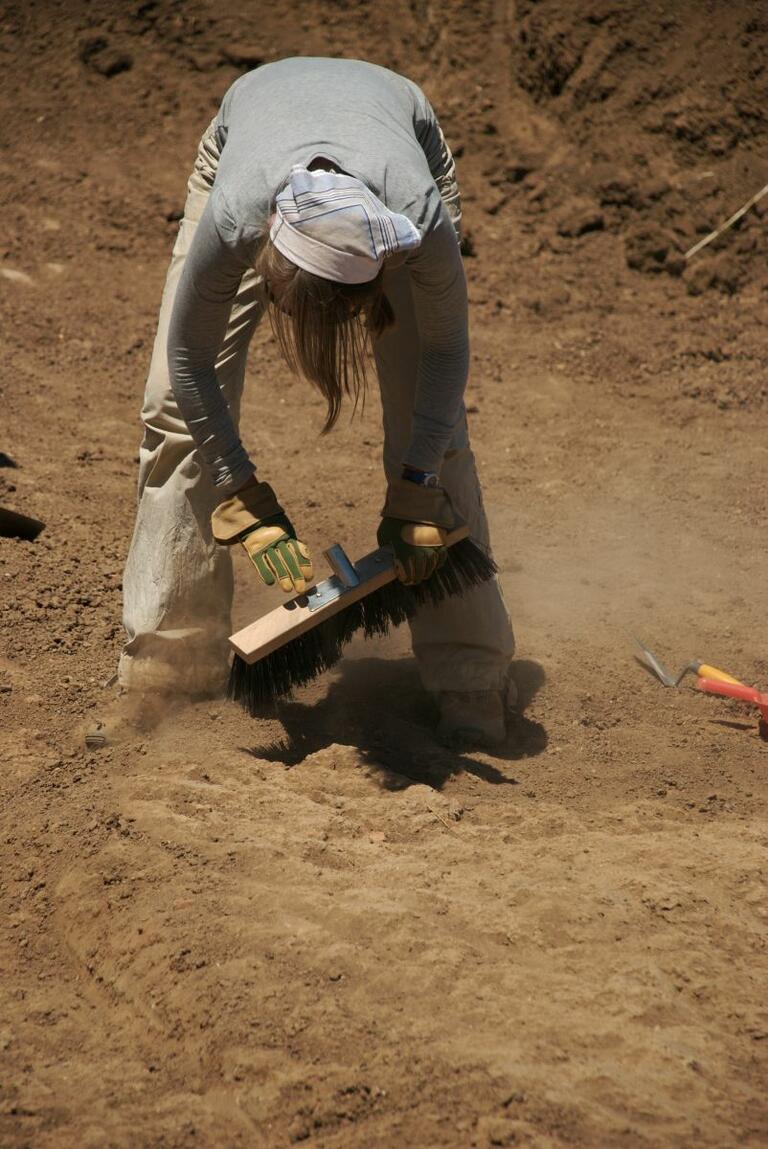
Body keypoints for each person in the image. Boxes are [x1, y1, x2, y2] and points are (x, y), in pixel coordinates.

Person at [90, 56, 515, 749]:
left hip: (403, 140)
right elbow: (190, 359)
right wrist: (242, 495)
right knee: (173, 410)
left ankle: (470, 675)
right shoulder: (237, 217)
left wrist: (419, 486)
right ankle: (166, 668)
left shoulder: (418, 219)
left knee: (434, 429)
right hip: (245, 138)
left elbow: (443, 355)